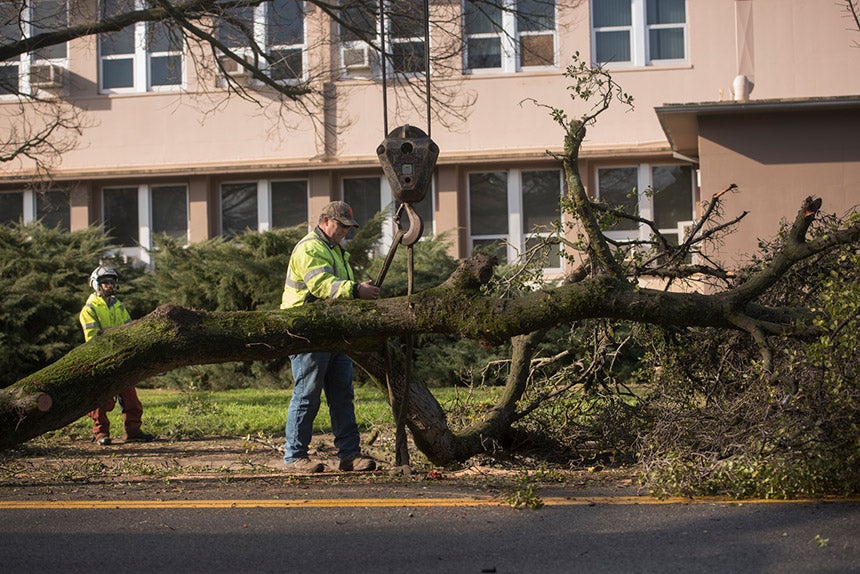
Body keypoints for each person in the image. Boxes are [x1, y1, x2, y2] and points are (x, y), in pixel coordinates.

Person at [280, 201, 381, 473]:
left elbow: (335, 291)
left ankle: (349, 455)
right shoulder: (310, 248)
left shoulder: (333, 249)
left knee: (341, 394)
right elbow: (322, 285)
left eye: (348, 227)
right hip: (306, 331)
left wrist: (356, 292)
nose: (344, 231)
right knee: (307, 394)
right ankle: (294, 457)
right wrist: (356, 290)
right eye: (341, 225)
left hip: (331, 330)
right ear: (325, 220)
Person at [80, 265, 154, 446]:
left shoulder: (119, 306)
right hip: (101, 359)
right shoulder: (89, 310)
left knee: (130, 397)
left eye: (112, 282)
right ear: (96, 284)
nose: (109, 285)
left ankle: (133, 431)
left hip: (122, 359)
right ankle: (100, 433)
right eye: (105, 282)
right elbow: (92, 339)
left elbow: (131, 330)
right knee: (100, 401)